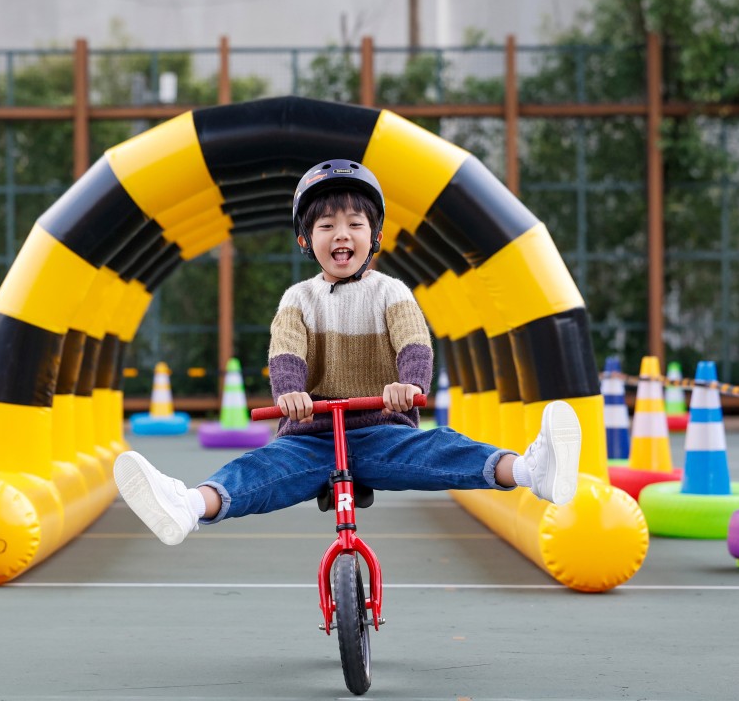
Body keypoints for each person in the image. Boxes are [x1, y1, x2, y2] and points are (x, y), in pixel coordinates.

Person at [114, 159, 582, 545]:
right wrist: (291, 394)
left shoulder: (390, 291)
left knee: (443, 450)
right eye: (326, 225)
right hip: (312, 435)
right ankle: (188, 505)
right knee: (257, 470)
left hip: (380, 428)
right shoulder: (298, 299)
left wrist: (411, 386)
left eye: (355, 223)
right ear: (306, 240)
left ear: (373, 237)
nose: (342, 233)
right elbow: (286, 353)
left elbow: (413, 341)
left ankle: (529, 469)